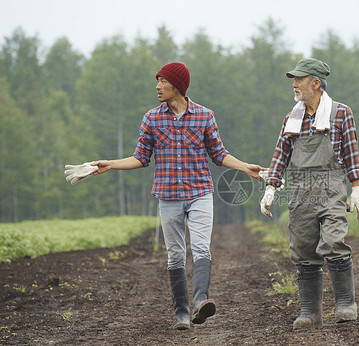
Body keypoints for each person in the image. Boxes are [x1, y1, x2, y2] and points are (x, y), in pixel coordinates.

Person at [65, 62, 264, 330]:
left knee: (202, 247)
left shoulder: (205, 116)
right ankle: (181, 313)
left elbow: (218, 154)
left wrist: (245, 167)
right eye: (157, 81)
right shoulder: (151, 118)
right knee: (175, 255)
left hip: (200, 193)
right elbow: (140, 158)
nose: (157, 87)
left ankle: (201, 301)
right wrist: (109, 164)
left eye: (162, 81)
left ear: (177, 86)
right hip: (168, 196)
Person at [260, 58, 359, 330]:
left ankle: (345, 303)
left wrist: (357, 189)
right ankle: (309, 312)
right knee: (304, 249)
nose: (294, 84)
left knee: (334, 241)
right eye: (294, 79)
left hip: (331, 188)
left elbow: (352, 155)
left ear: (315, 83)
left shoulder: (341, 114)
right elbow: (280, 155)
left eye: (299, 79)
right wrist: (271, 187)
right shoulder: (290, 119)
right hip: (301, 191)